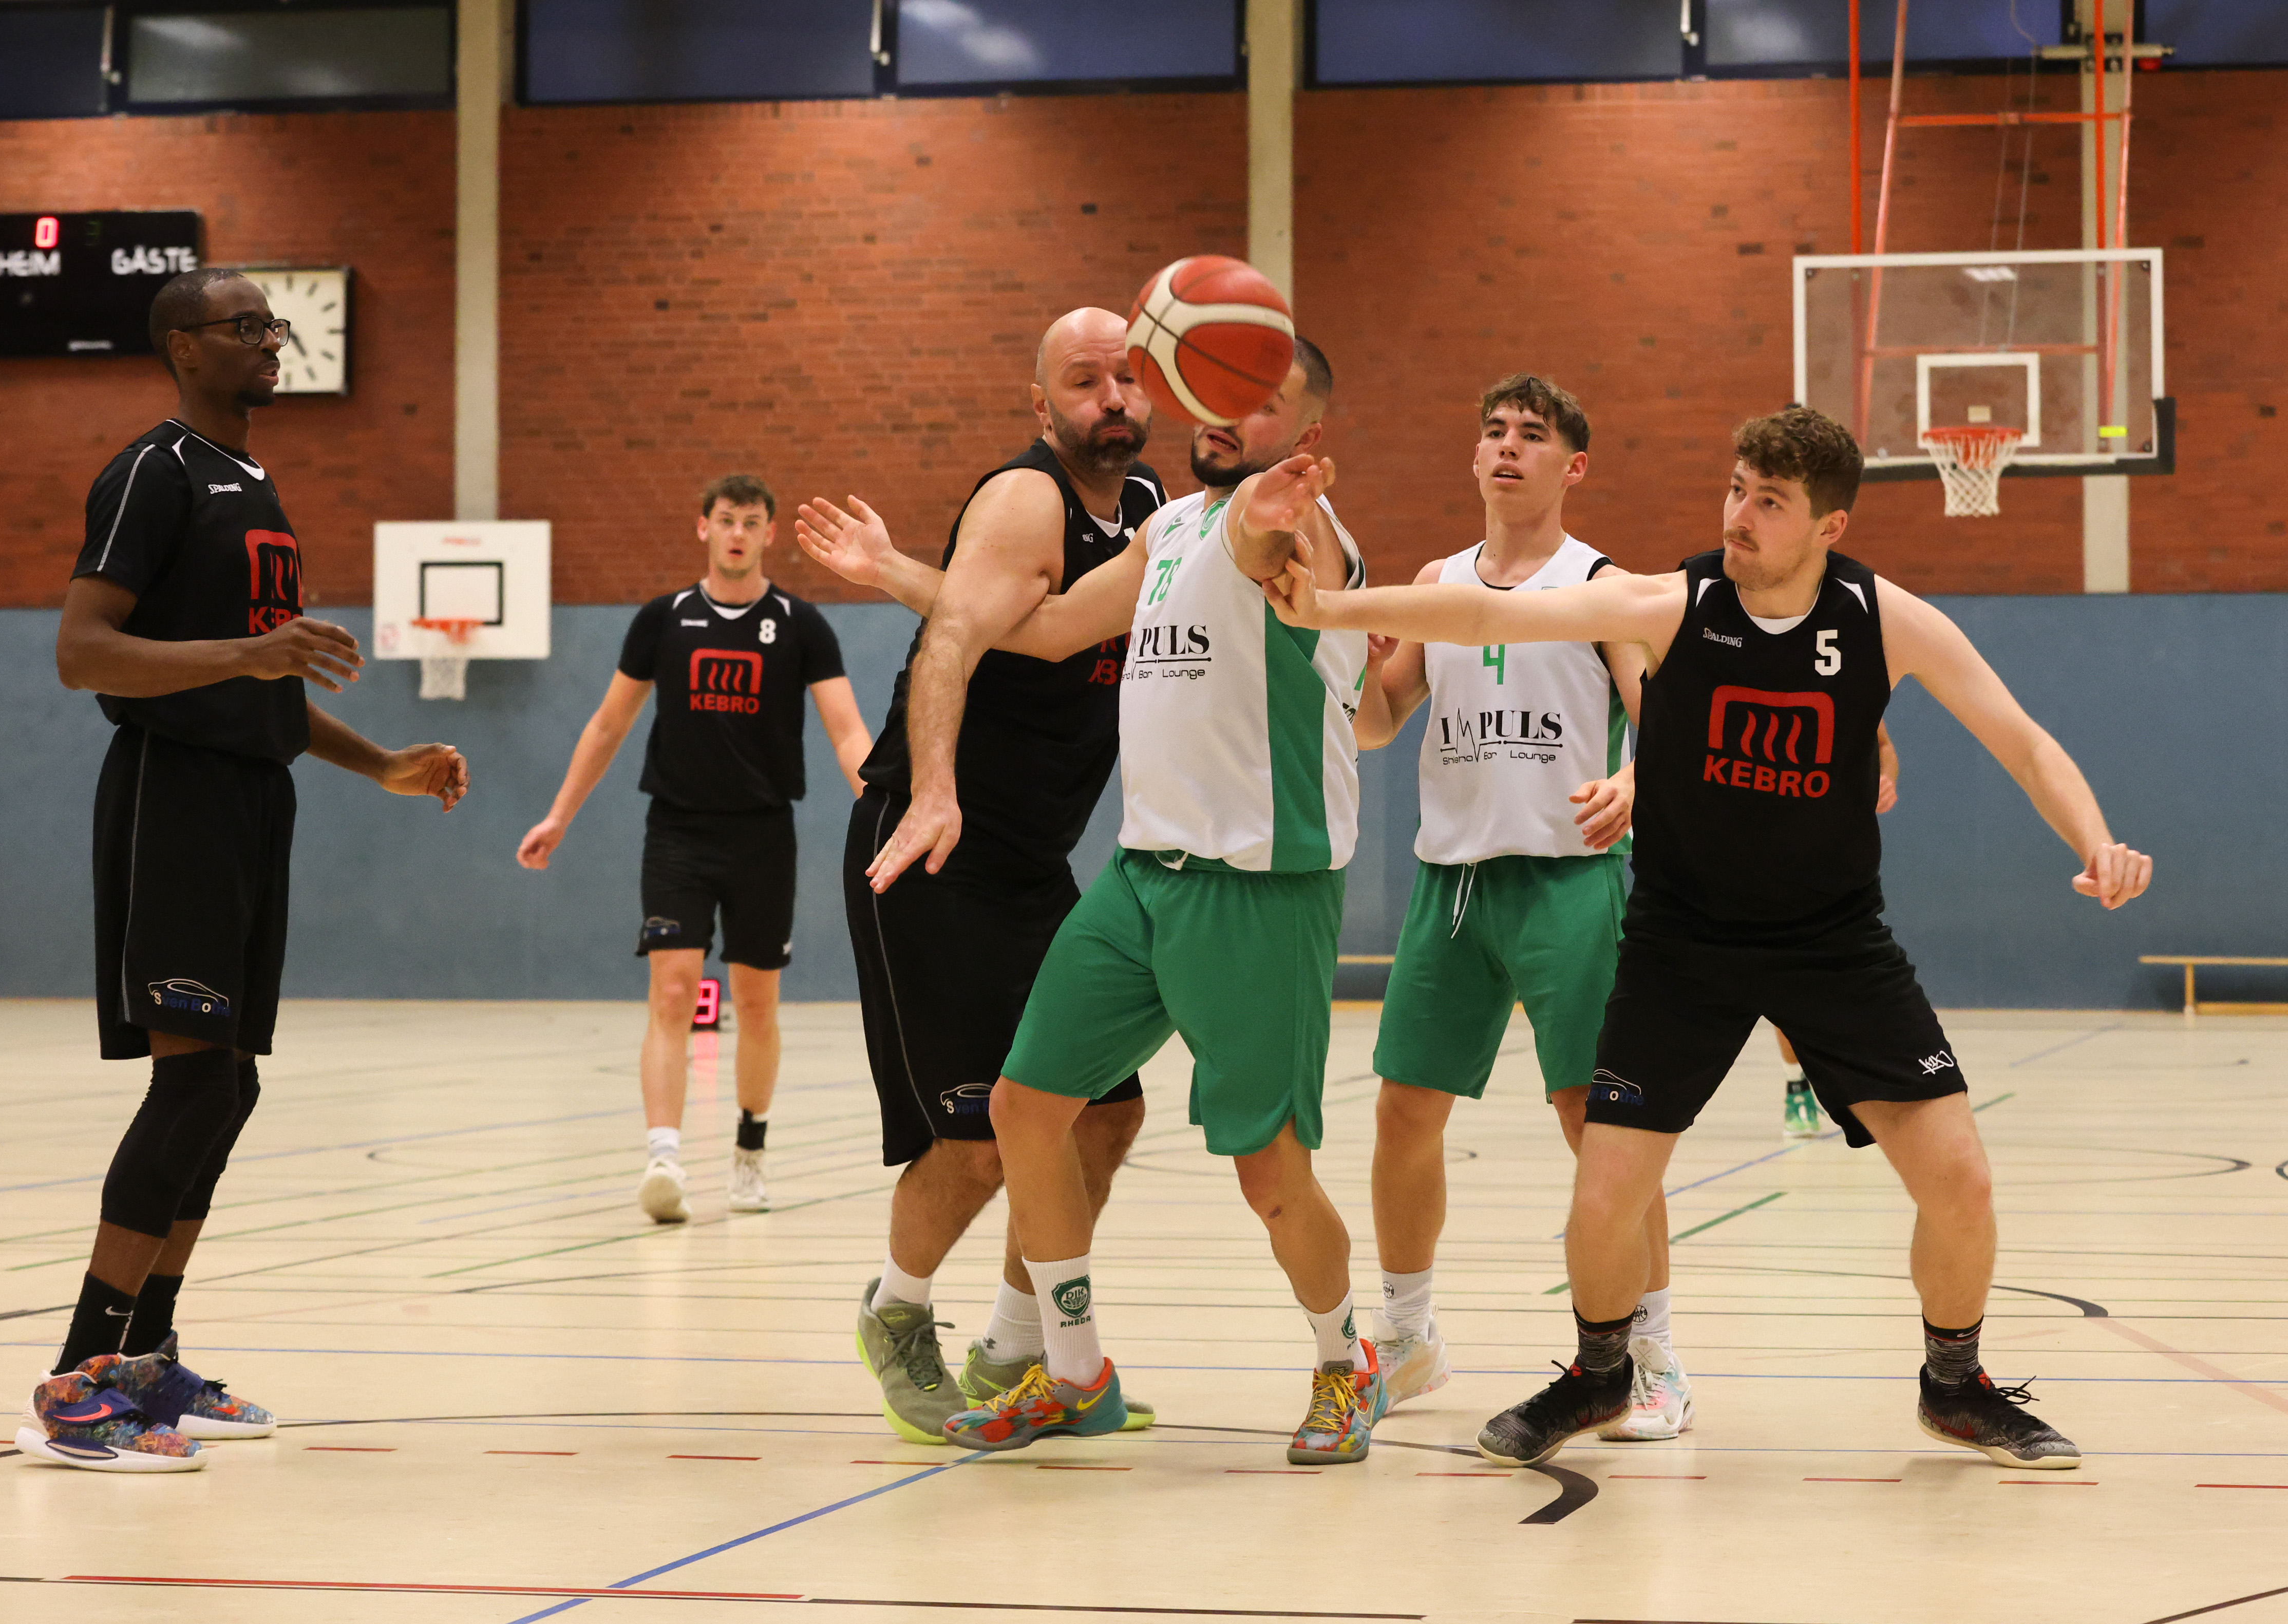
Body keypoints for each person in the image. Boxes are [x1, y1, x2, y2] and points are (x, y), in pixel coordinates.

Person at [1259, 405, 2151, 1471]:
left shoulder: (1885, 619)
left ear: (1829, 525)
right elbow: (1486, 614)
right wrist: (1332, 607)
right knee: (1606, 1188)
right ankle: (1601, 1373)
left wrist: (2097, 840)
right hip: (1683, 941)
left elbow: (2023, 741)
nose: (1740, 516)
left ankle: (1954, 1385)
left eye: (1770, 502)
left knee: (1960, 1178)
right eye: (1736, 489)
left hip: (1834, 942)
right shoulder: (1674, 604)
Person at [828, 339, 1384, 1465]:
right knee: (1027, 1109)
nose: (1224, 410)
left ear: (1307, 436)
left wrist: (1278, 510)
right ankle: (1073, 1372)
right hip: (1140, 877)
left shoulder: (1296, 523)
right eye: (1217, 388)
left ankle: (1346, 1360)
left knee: (1270, 1173)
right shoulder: (1166, 527)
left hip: (1260, 888)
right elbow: (1039, 629)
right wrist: (896, 572)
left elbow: (1269, 540)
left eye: (1259, 400)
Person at [29, 268, 469, 1472]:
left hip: (249, 799)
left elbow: (263, 680)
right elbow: (82, 652)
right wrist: (249, 652)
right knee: (188, 1087)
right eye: (246, 326)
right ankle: (77, 1379)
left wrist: (382, 763)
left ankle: (147, 1359)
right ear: (183, 346)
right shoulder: (154, 471)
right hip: (170, 794)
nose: (271, 341)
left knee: (228, 1089)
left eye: (274, 325)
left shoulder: (256, 482)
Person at [795, 307, 1163, 1445]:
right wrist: (936, 787)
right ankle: (897, 1313)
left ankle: (1014, 1348)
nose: (1113, 396)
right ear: (1043, 404)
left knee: (1100, 1115)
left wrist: (896, 568)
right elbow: (954, 642)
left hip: (1035, 861)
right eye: (1086, 380)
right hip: (934, 846)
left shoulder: (1149, 509)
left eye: (1128, 376)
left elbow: (1036, 627)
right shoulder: (1024, 498)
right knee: (978, 1136)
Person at [1348, 374, 1692, 1436]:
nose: (1507, 447)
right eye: (1493, 431)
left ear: (1572, 466)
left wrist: (1630, 782)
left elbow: (1664, 723)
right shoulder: (1437, 582)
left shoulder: (1602, 586)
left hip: (1566, 880)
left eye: (1532, 435)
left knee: (1603, 1124)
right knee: (1404, 1112)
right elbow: (1377, 722)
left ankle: (1652, 1354)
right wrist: (1347, 670)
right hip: (1453, 884)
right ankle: (1409, 1335)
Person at [518, 475, 871, 1222]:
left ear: (769, 532)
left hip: (763, 836)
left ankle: (749, 1152)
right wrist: (559, 816)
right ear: (703, 527)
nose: (738, 532)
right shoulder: (663, 619)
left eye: (751, 521)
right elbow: (608, 724)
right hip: (677, 832)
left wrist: (884, 808)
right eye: (726, 520)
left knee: (756, 1003)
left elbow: (846, 730)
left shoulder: (801, 624)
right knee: (674, 991)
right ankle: (664, 1158)